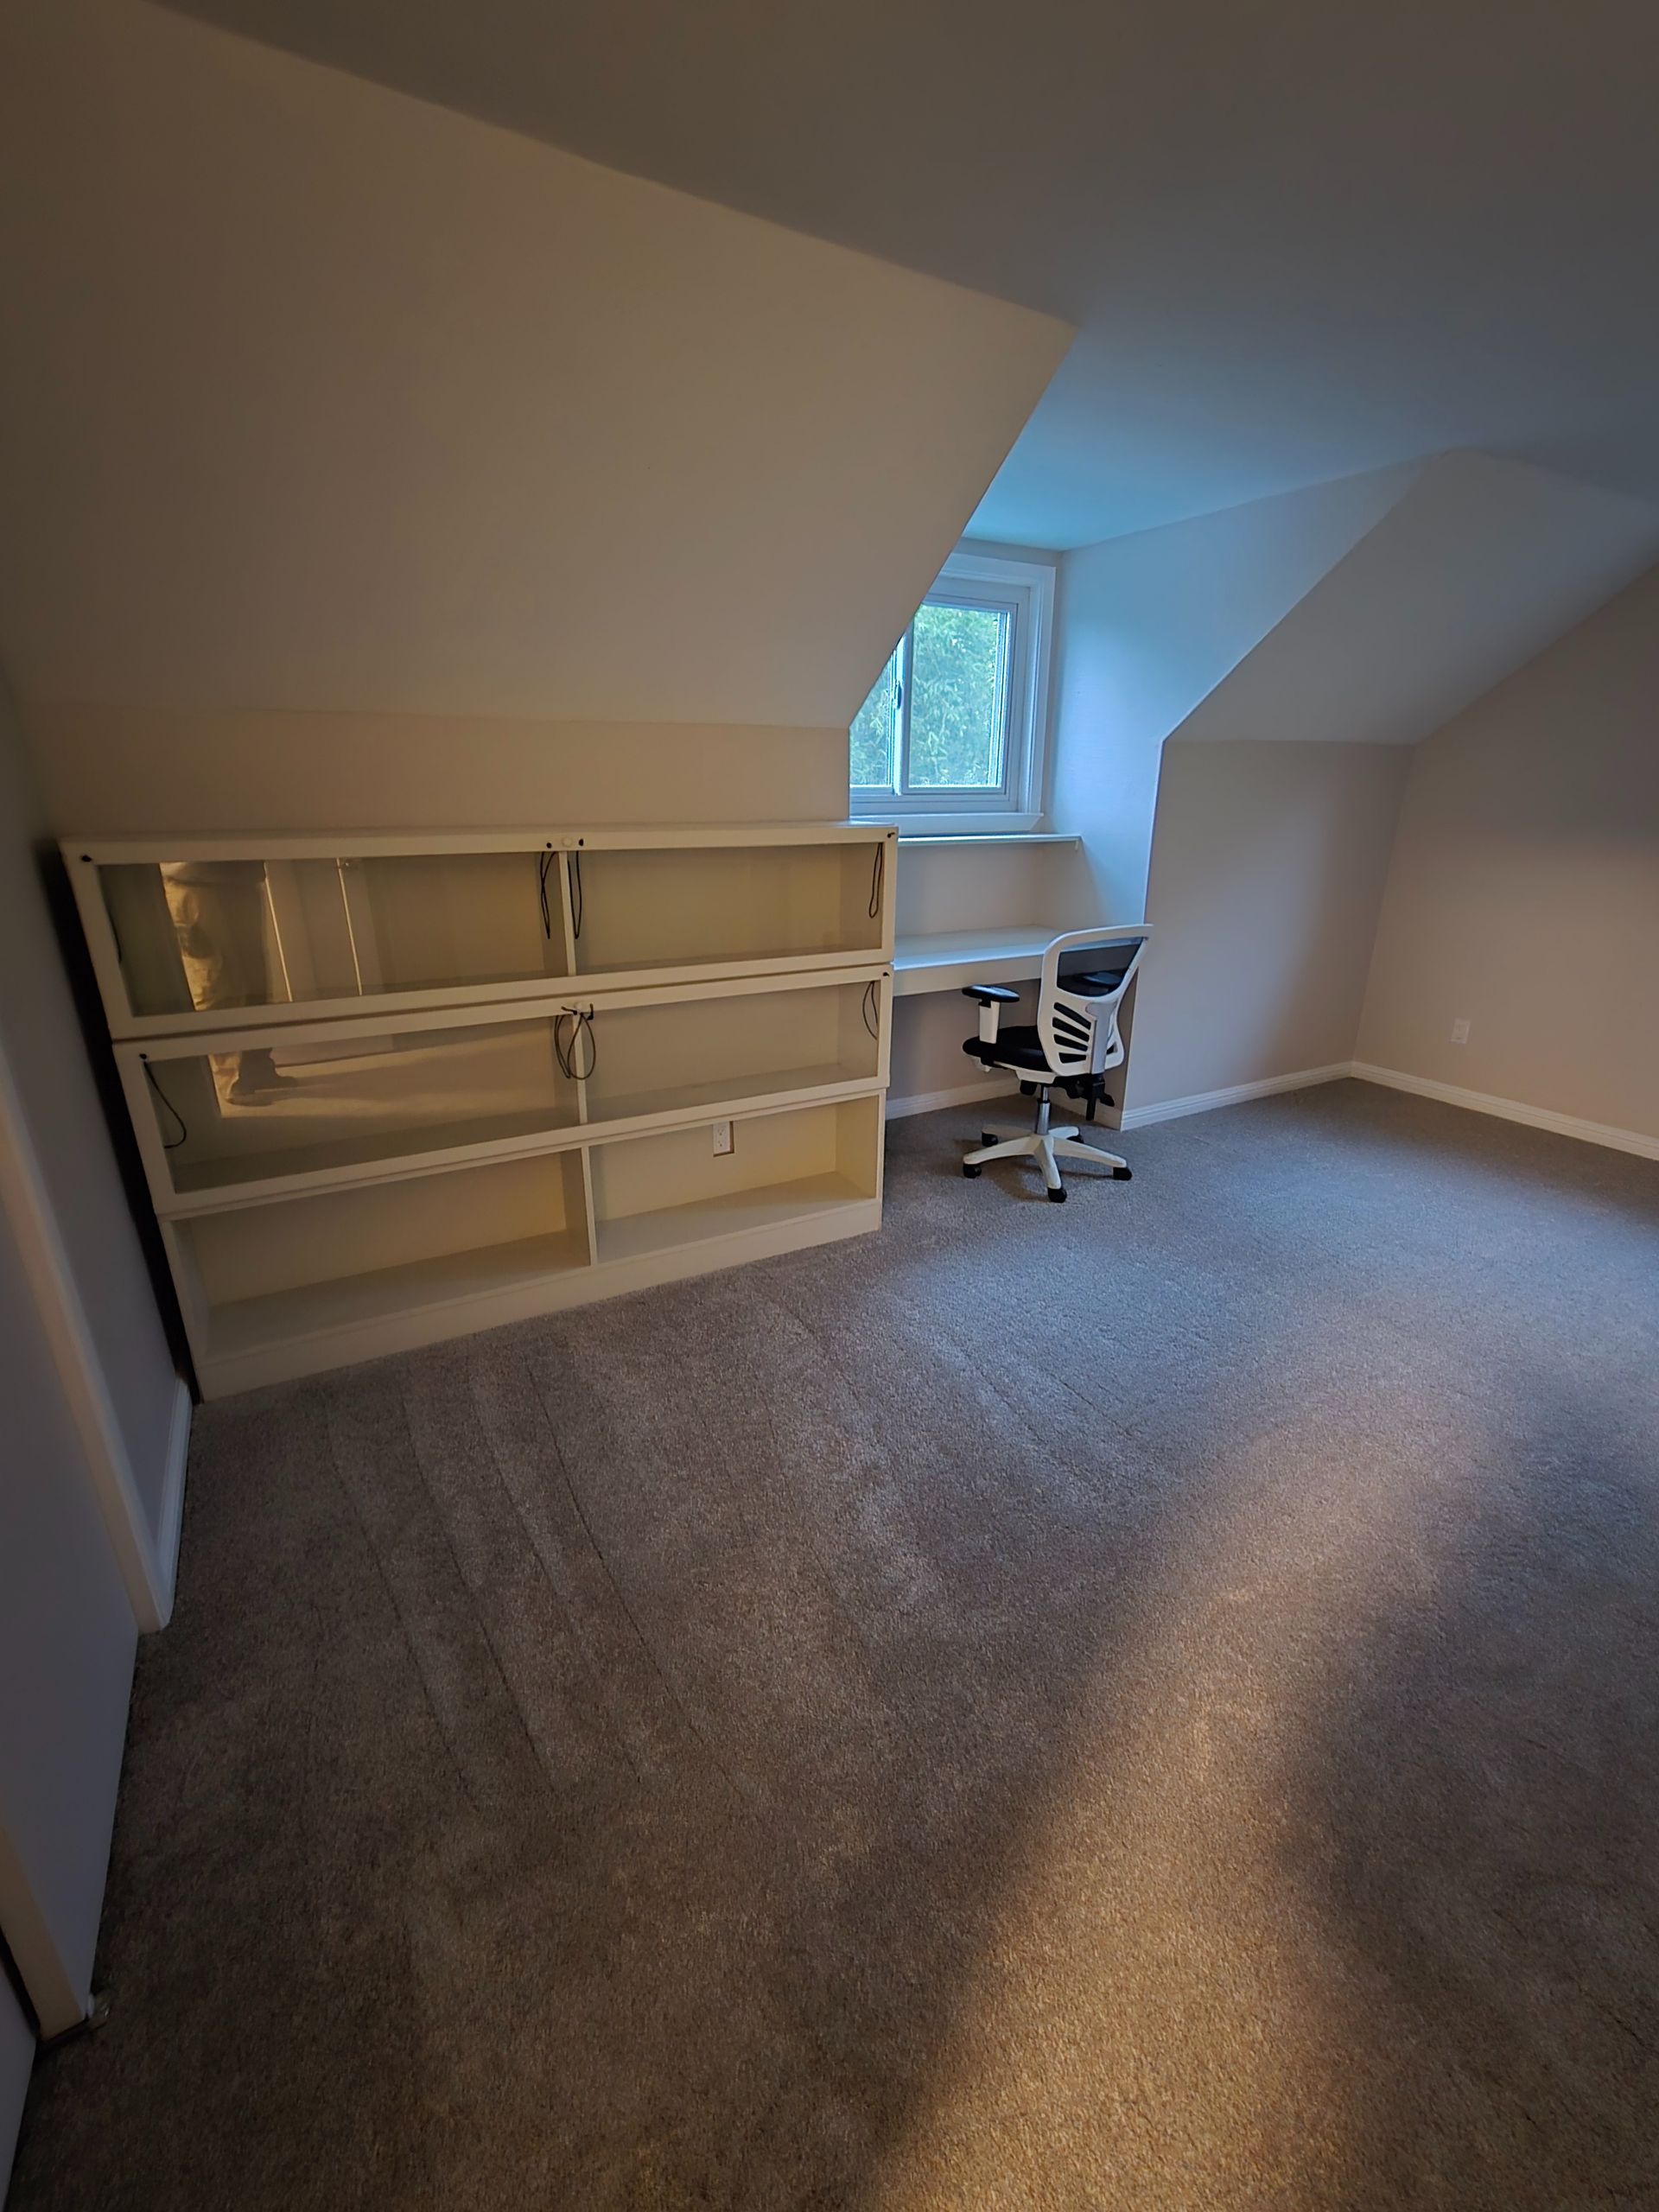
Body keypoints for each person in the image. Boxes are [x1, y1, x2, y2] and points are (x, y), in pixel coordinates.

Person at [161, 861, 297, 1104]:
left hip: (239, 883)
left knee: (256, 986)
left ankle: (257, 1069)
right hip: (192, 885)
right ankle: (228, 1080)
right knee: (216, 984)